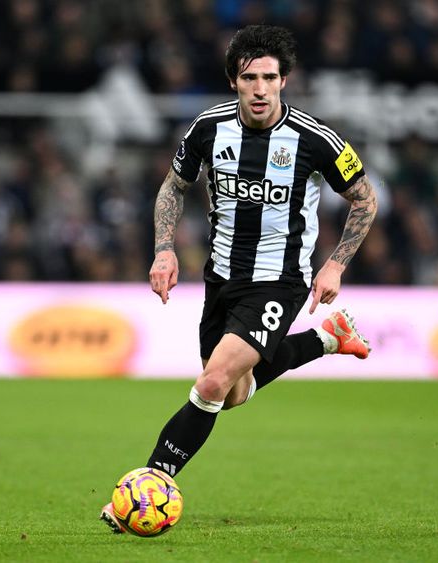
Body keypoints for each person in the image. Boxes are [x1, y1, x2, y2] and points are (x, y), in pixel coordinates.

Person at [101, 24, 378, 532]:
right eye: (249, 77)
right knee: (230, 393)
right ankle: (326, 339)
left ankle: (149, 485)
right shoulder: (207, 129)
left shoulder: (317, 140)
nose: (260, 88)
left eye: (269, 78)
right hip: (221, 278)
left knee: (211, 382)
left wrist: (336, 261)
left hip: (281, 282)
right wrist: (164, 250)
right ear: (234, 80)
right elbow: (171, 189)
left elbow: (364, 197)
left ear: (284, 81)